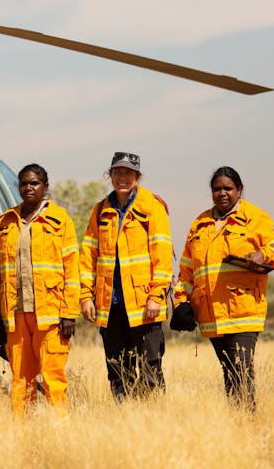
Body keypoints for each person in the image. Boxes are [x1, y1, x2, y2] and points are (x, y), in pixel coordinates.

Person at [173, 166, 274, 411]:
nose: (222, 193)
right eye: (217, 189)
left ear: (239, 190)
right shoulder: (200, 224)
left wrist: (262, 254)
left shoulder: (255, 218)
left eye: (228, 188)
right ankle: (237, 423)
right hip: (211, 315)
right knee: (229, 372)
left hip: (243, 311)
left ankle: (247, 422)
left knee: (241, 370)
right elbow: (187, 269)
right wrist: (181, 303)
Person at [0, 163, 80, 417]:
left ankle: (61, 428)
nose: (28, 188)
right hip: (15, 315)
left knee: (53, 375)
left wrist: (69, 313)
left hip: (50, 316)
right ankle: (21, 430)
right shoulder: (5, 222)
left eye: (34, 183)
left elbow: (72, 270)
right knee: (21, 378)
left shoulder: (60, 220)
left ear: (45, 186)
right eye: (24, 183)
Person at [80, 152, 174, 401]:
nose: (123, 177)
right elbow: (88, 257)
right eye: (118, 172)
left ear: (137, 177)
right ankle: (124, 421)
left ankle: (153, 421)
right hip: (110, 306)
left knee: (149, 366)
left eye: (128, 173)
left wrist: (157, 296)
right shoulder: (100, 211)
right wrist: (85, 296)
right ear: (110, 175)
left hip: (144, 305)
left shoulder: (152, 207)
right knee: (118, 368)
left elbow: (162, 256)